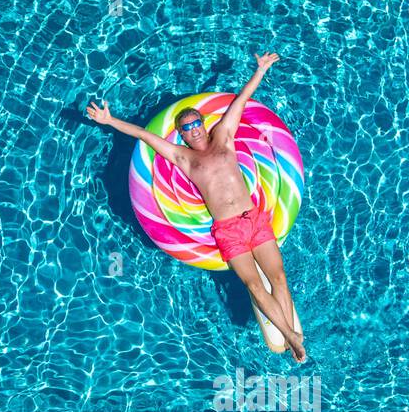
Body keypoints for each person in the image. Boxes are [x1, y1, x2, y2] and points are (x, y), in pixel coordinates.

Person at [87, 52, 305, 362]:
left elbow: (241, 101)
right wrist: (109, 121)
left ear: (203, 123)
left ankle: (291, 333)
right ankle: (290, 335)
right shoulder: (183, 158)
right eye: (187, 127)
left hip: (254, 217)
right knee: (254, 285)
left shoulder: (224, 138)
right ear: (182, 134)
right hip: (227, 229)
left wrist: (261, 69)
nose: (194, 129)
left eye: (196, 122)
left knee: (279, 277)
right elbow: (144, 135)